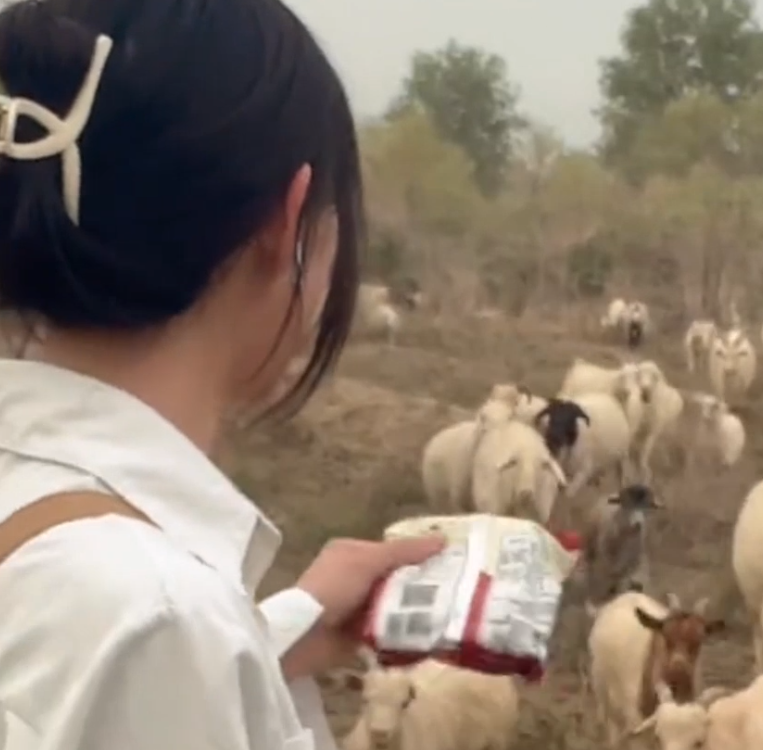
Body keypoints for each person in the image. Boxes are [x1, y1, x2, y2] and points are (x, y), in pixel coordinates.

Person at [0, 1, 444, 748]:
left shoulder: (108, 589)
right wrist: (196, 647)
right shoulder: (149, 616)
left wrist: (272, 634)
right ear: (289, 224)